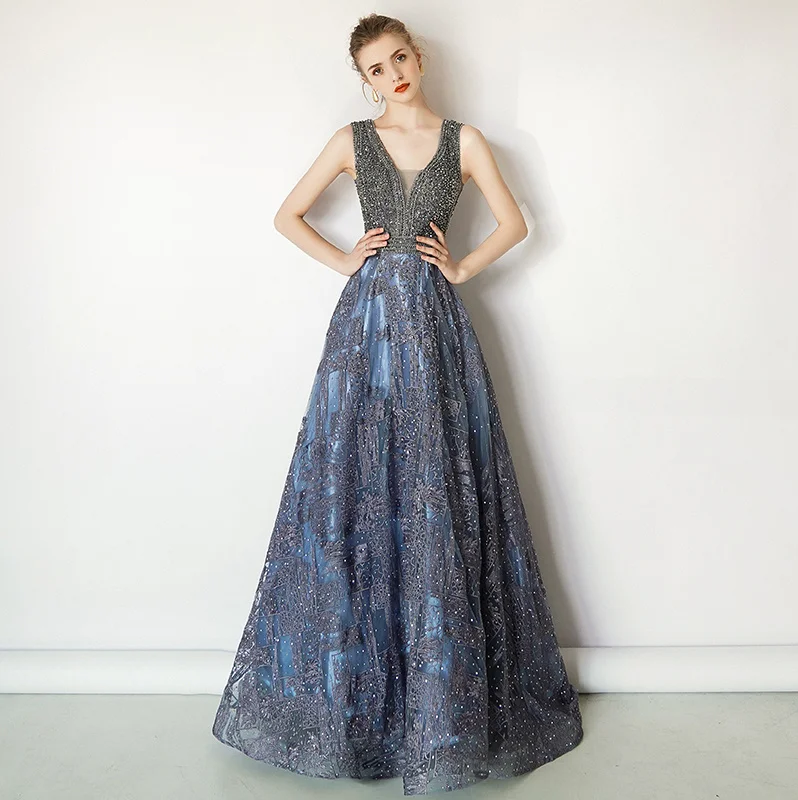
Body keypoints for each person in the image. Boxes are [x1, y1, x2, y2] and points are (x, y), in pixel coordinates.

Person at [212, 13, 584, 796]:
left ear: (419, 57)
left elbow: (517, 223)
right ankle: (360, 708)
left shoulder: (465, 140)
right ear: (365, 82)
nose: (393, 75)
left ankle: (441, 708)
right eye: (376, 69)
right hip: (366, 329)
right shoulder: (352, 141)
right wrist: (345, 258)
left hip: (437, 330)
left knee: (435, 488)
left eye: (400, 58)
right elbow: (286, 215)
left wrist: (463, 268)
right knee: (355, 489)